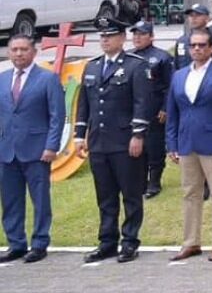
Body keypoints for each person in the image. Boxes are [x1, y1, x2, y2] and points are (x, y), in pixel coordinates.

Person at [74, 17, 153, 263]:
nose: (105, 40)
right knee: (105, 196)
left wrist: (138, 135)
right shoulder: (93, 66)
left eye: (110, 36)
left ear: (122, 38)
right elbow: (84, 104)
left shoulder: (135, 66)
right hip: (99, 142)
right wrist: (79, 136)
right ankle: (107, 241)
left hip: (124, 141)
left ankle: (129, 241)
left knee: (130, 194)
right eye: (102, 37)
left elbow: (143, 103)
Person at [165, 28, 212, 262]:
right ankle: (191, 242)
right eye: (193, 45)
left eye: (201, 45)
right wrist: (171, 143)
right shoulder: (179, 76)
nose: (197, 49)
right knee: (190, 193)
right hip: (187, 142)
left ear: (211, 48)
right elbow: (172, 112)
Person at [0, 34, 65, 264]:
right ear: (9, 52)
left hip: (38, 151)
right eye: (15, 49)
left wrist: (51, 145)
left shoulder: (47, 79)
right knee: (10, 201)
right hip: (7, 151)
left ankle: (39, 243)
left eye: (24, 49)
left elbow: (57, 116)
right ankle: (16, 243)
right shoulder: (2, 78)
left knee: (40, 199)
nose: (19, 53)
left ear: (34, 52)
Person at [127, 20, 172, 199]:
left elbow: (170, 85)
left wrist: (165, 107)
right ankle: (140, 181)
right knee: (137, 146)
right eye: (135, 34)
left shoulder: (161, 57)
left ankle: (154, 182)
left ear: (151, 36)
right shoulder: (128, 56)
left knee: (154, 146)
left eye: (142, 34)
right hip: (134, 109)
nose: (137, 38)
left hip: (155, 108)